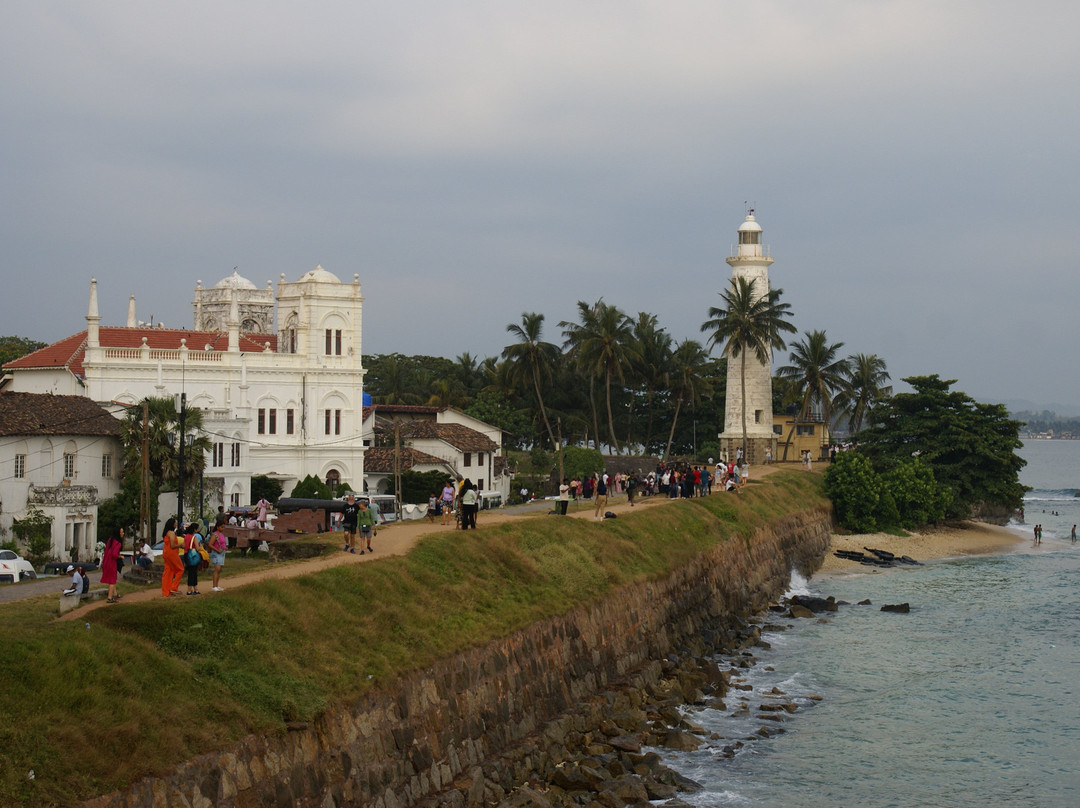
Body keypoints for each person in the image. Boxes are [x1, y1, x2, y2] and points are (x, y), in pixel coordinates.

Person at [160, 518, 184, 597]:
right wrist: (180, 545)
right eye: (175, 523)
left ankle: (166, 591)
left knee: (168, 571)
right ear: (172, 524)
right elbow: (173, 546)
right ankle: (173, 588)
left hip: (166, 553)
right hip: (172, 553)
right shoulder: (171, 533)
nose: (176, 524)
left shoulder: (166, 533)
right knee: (180, 569)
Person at [100, 526, 123, 603]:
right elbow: (114, 554)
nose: (123, 533)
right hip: (112, 562)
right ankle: (110, 597)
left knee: (112, 578)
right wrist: (120, 556)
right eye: (121, 532)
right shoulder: (118, 543)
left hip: (106, 561)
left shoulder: (110, 540)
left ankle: (115, 594)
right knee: (112, 580)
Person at [183, 523, 204, 595]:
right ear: (195, 529)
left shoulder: (186, 536)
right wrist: (200, 546)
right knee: (193, 573)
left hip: (186, 554)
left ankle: (195, 588)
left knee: (191, 572)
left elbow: (184, 545)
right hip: (193, 555)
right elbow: (197, 548)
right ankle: (189, 590)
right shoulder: (194, 537)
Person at [208, 515, 228, 591]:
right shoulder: (215, 535)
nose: (222, 528)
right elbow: (210, 544)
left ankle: (217, 585)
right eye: (221, 527)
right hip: (217, 553)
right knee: (217, 569)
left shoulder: (221, 535)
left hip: (222, 552)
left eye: (223, 527)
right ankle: (214, 586)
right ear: (218, 527)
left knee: (219, 570)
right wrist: (217, 550)